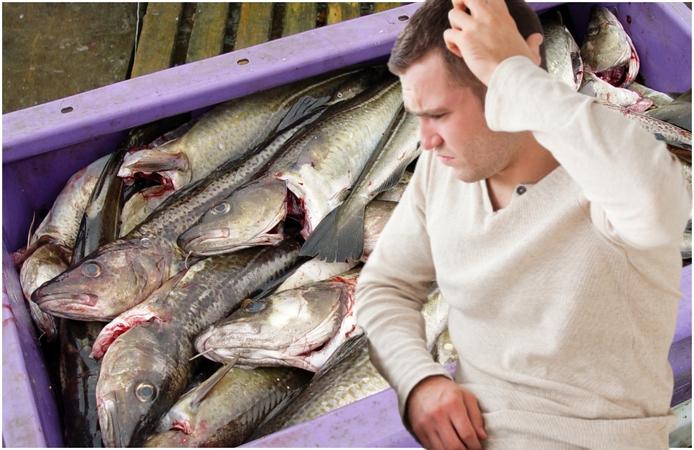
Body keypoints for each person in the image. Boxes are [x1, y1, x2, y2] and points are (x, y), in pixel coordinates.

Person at [354, 0, 692, 448]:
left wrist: (513, 71)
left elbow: (657, 198)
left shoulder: (607, 186)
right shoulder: (443, 170)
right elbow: (385, 286)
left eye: (440, 114)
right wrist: (419, 380)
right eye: (418, 116)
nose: (426, 140)